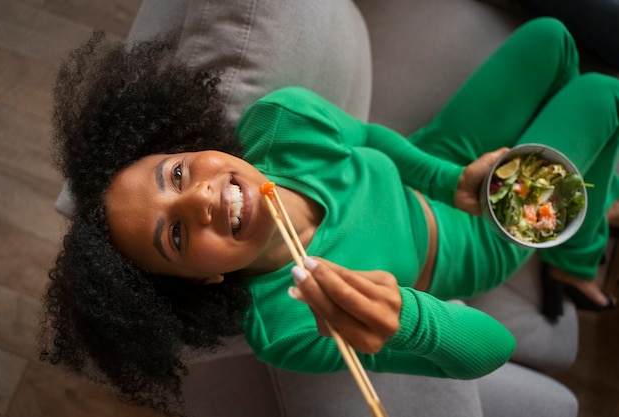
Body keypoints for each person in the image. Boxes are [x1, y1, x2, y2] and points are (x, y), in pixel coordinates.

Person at [40, 18, 619, 416]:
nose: (200, 199)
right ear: (201, 279)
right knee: (600, 95)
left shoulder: (279, 122)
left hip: (438, 158)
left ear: (189, 147)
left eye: (175, 175)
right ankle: (577, 248)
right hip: (474, 239)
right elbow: (488, 349)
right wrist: (408, 321)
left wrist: (448, 179)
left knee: (554, 40)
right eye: (176, 234)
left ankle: (577, 243)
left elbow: (366, 137)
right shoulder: (290, 327)